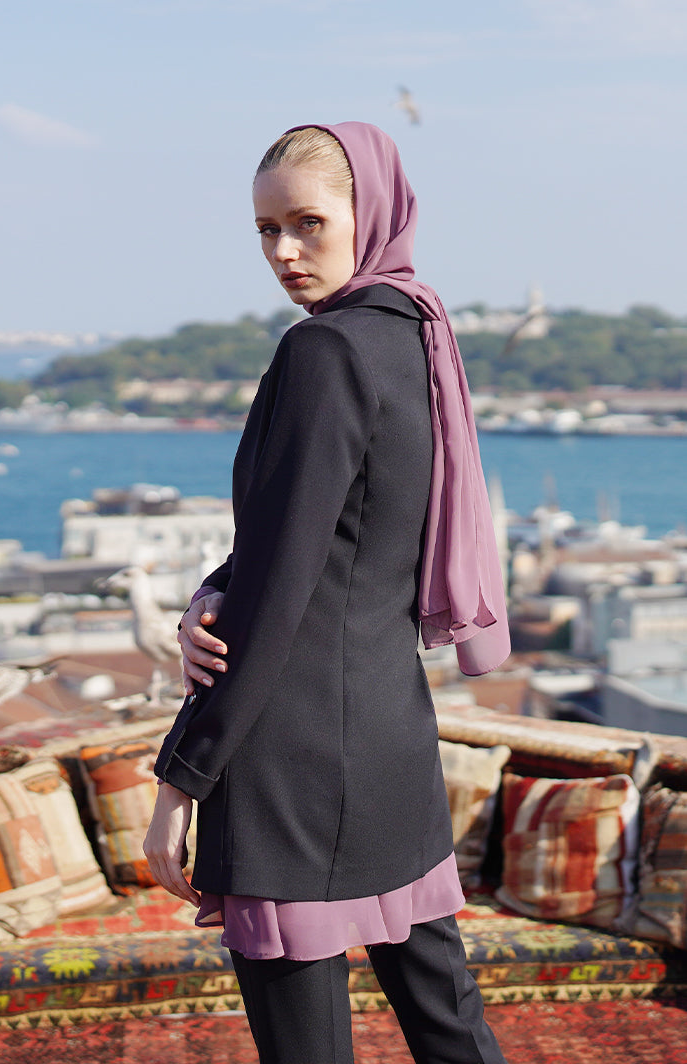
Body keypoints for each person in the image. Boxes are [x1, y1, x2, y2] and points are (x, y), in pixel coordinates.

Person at [144, 122, 511, 1064]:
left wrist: (183, 777)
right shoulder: (417, 336)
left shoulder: (322, 354)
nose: (285, 253)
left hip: (290, 766)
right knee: (451, 1033)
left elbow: (279, 594)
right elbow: (338, 545)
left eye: (307, 224)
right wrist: (214, 590)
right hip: (390, 741)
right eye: (265, 231)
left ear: (370, 212)